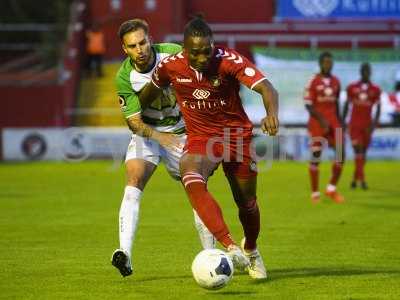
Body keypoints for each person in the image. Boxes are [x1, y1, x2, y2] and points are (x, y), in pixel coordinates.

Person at [140, 17, 279, 279]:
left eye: (207, 51)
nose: (202, 57)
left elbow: (266, 87)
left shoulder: (229, 60)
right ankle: (230, 246)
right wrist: (134, 110)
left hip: (236, 137)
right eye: (195, 52)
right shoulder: (170, 66)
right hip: (202, 138)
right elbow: (148, 93)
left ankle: (251, 249)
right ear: (184, 49)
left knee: (246, 203)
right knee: (189, 174)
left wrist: (271, 113)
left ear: (213, 46)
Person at [111, 19, 214, 277]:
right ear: (125, 49)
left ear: (150, 39)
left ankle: (211, 254)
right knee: (134, 180)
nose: (140, 49)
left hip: (181, 134)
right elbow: (133, 122)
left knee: (196, 189)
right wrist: (159, 137)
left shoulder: (172, 53)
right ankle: (124, 252)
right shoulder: (124, 77)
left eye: (143, 42)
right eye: (132, 46)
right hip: (147, 134)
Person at [304, 52, 345, 204]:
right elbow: (308, 105)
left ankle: (331, 189)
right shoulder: (313, 81)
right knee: (316, 157)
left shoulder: (336, 81)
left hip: (334, 123)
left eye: (331, 62)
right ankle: (315, 194)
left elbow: (336, 104)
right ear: (321, 63)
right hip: (317, 124)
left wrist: (341, 122)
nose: (329, 64)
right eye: (326, 62)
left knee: (341, 155)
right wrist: (322, 121)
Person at [343, 63, 381, 190]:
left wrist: (374, 125)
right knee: (358, 151)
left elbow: (378, 108)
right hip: (354, 125)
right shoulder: (352, 88)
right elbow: (346, 105)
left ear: (370, 72)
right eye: (363, 70)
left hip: (367, 126)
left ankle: (354, 179)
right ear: (360, 72)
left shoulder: (375, 89)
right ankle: (363, 181)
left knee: (362, 154)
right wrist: (342, 121)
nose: (365, 72)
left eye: (367, 70)